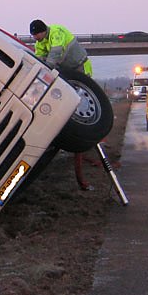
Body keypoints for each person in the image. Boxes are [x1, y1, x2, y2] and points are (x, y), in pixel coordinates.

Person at [29, 19, 94, 190]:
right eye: (33, 36)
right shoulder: (41, 42)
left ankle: (91, 130)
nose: (35, 38)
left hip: (81, 67)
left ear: (43, 30)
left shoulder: (56, 32)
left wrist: (47, 70)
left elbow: (55, 54)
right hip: (69, 72)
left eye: (37, 35)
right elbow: (39, 58)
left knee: (84, 99)